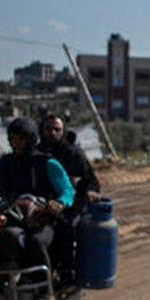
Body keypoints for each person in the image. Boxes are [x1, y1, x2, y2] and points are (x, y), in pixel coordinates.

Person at [0, 117, 74, 286]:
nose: (16, 143)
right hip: (9, 216)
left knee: (35, 241)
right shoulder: (4, 164)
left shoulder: (47, 163)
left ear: (31, 139)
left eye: (21, 139)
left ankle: (44, 286)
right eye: (13, 138)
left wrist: (60, 202)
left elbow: (67, 190)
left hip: (41, 219)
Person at [38, 114, 101, 286]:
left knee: (65, 226)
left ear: (63, 131)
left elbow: (92, 180)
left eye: (56, 129)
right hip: (42, 204)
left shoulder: (74, 154)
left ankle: (67, 269)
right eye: (48, 129)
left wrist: (90, 191)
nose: (52, 133)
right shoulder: (35, 153)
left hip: (70, 205)